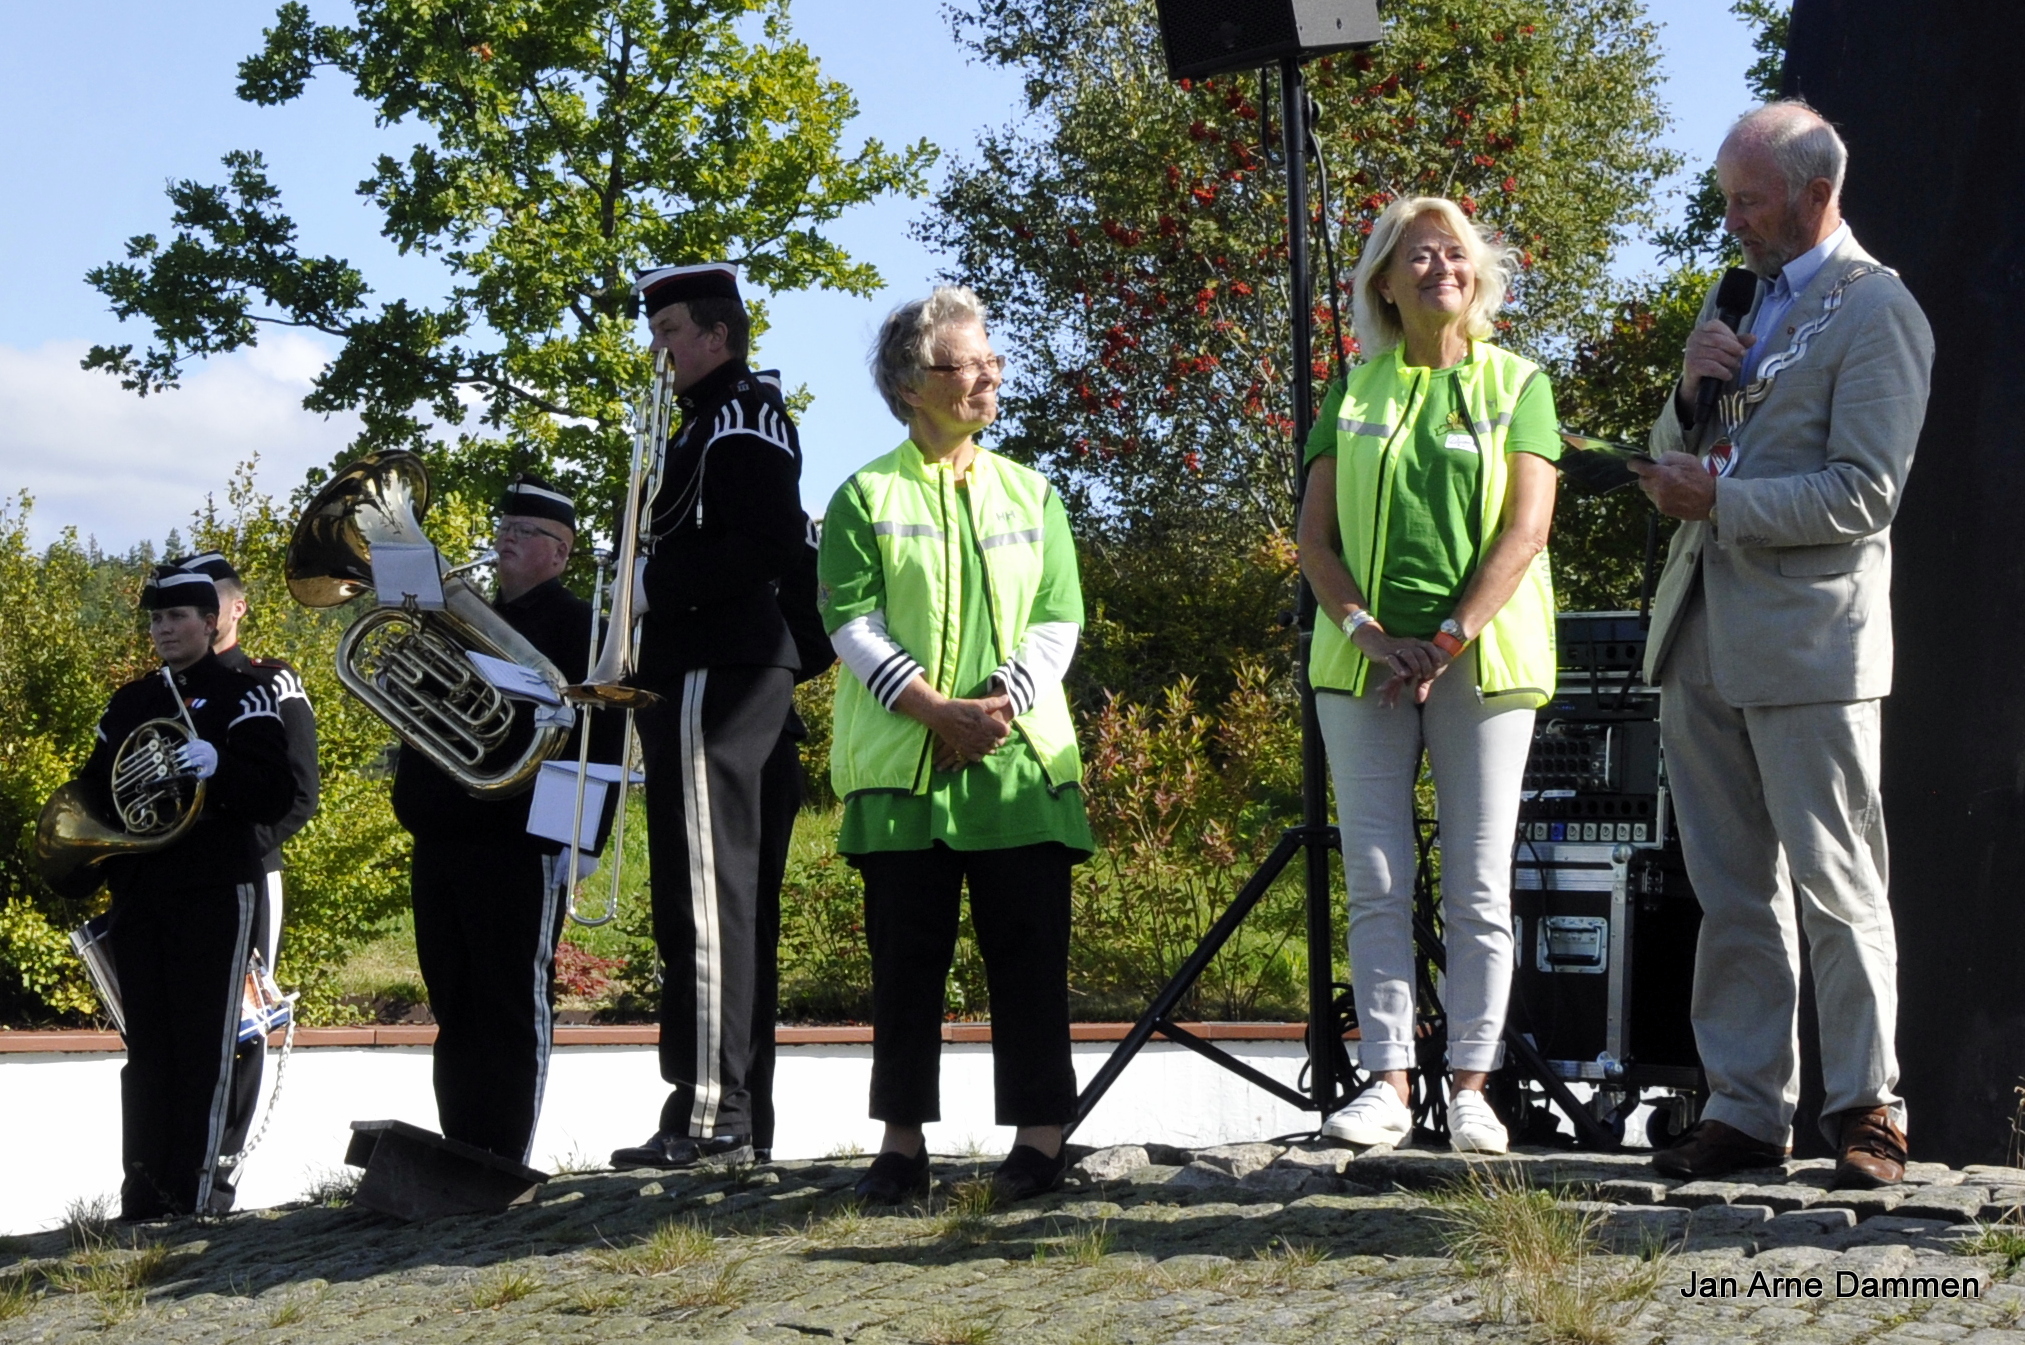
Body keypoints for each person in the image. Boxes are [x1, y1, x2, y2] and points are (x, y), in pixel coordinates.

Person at [1629, 101, 1932, 1188]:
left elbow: (1866, 493)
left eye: (1748, 201)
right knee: (1732, 890)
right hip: (1701, 631)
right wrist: (1685, 393)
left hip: (1811, 648)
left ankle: (1867, 1107)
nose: (1734, 222)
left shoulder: (1880, 310)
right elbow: (1673, 453)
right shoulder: (1731, 297)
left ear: (1815, 194)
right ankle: (1749, 1108)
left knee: (1837, 879)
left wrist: (1723, 498)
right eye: (1726, 200)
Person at [1296, 195, 1562, 1156]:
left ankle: (1471, 1089)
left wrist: (1445, 640)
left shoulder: (1518, 384)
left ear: (1477, 277)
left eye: (1453, 254)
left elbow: (1525, 531)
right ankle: (1387, 1082)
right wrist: (1369, 634)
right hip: (1360, 666)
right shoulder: (1351, 392)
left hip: (1481, 666)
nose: (1437, 268)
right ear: (1381, 282)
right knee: (1375, 876)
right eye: (1415, 255)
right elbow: (1313, 542)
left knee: (1478, 885)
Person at [819, 286, 1091, 1204]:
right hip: (907, 772)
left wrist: (994, 709)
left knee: (1029, 954)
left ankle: (1042, 1137)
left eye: (990, 361)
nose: (986, 376)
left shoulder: (1034, 490)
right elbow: (848, 622)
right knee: (905, 960)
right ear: (909, 384)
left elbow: (1059, 618)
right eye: (964, 364)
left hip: (1020, 767)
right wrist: (936, 710)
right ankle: (901, 1145)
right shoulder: (863, 493)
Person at [610, 264, 806, 1171]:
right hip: (720, 671)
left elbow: (769, 542)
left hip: (714, 675)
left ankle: (709, 1115)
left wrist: (651, 586)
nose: (660, 345)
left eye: (672, 330)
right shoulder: (712, 421)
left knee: (705, 902)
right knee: (726, 903)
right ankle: (733, 1114)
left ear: (717, 338)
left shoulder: (737, 418)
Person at [390, 474, 621, 1163]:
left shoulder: (585, 628)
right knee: (453, 1001)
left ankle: (503, 1156)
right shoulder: (456, 624)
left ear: (561, 551)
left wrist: (578, 840)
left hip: (520, 842)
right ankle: (462, 1147)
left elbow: (601, 742)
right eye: (504, 528)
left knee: (510, 1003)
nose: (505, 541)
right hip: (442, 834)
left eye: (526, 533)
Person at [73, 566, 294, 1219]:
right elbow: (94, 792)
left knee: (204, 1044)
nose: (164, 629)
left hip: (214, 887)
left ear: (211, 621)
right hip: (142, 886)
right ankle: (142, 1194)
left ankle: (193, 1198)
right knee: (148, 1048)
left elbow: (276, 793)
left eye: (177, 618)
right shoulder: (131, 703)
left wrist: (219, 766)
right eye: (155, 620)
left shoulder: (246, 694)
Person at [170, 550, 318, 1200]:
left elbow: (299, 795)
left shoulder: (273, 681)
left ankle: (220, 1170)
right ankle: (172, 1164)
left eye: (215, 597)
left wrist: (231, 849)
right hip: (172, 881)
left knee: (243, 1021)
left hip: (249, 872)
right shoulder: (162, 687)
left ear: (235, 607)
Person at [750, 509, 834, 1163]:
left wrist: (745, 662)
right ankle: (688, 1113)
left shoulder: (789, 532)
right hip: (673, 732)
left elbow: (817, 632)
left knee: (749, 933)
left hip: (758, 734)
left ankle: (748, 1126)